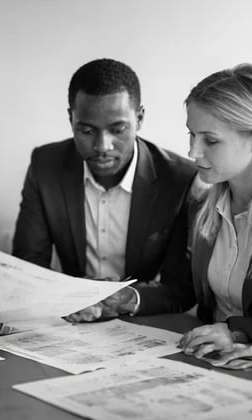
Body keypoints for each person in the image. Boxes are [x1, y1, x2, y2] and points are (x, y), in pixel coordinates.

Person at [12, 58, 196, 320]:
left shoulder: (179, 179)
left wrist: (128, 299)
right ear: (70, 118)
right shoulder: (46, 166)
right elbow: (28, 264)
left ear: (140, 118)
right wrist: (64, 298)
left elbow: (182, 289)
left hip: (143, 322)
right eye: (86, 130)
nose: (102, 146)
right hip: (68, 321)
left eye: (117, 129)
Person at [178, 63, 252, 368]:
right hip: (210, 365)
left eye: (210, 141)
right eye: (192, 135)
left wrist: (237, 333)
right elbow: (188, 293)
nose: (193, 152)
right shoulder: (201, 206)